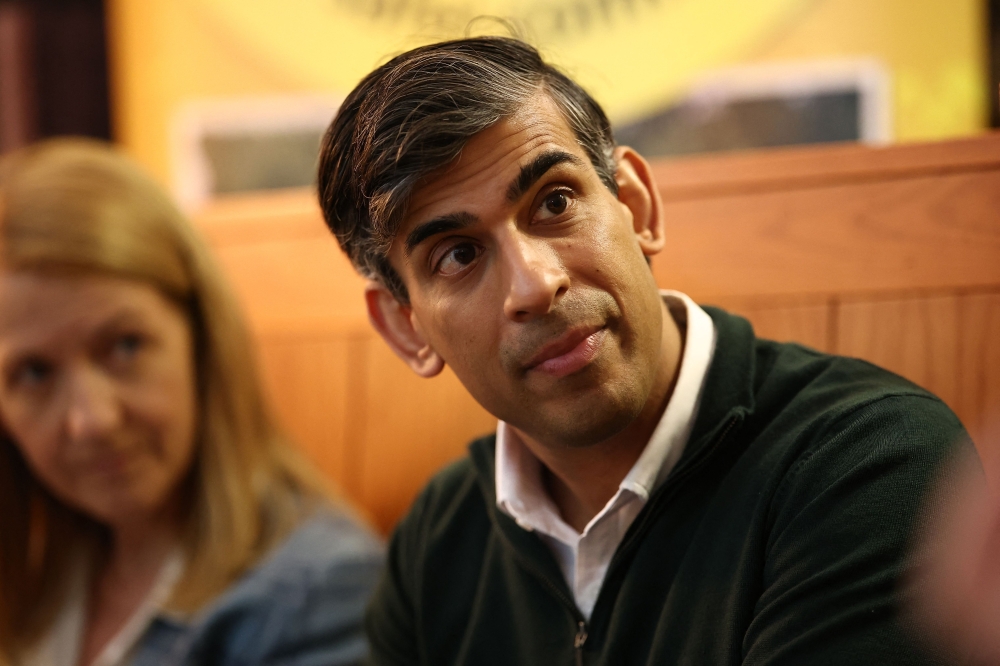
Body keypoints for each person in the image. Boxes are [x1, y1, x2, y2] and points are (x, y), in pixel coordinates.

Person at [317, 36, 972, 665]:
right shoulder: (441, 535)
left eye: (555, 202)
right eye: (458, 255)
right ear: (407, 328)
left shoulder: (871, 461)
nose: (536, 285)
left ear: (635, 205)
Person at [0, 139, 383, 666]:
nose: (92, 419)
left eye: (124, 346)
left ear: (202, 340)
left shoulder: (318, 587)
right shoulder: (46, 566)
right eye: (33, 373)